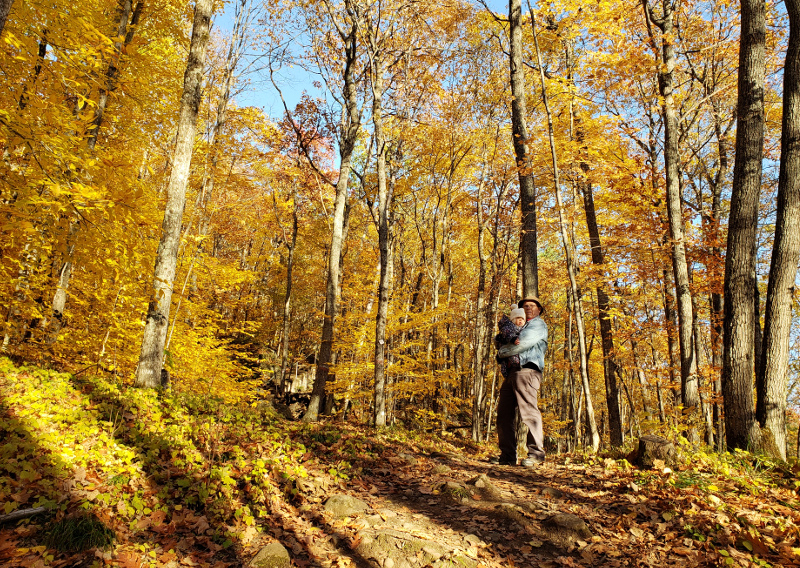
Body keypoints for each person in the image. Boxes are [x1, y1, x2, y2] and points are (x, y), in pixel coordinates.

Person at [491, 297, 548, 467]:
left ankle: (536, 454)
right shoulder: (516, 326)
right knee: (503, 414)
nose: (528, 308)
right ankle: (508, 456)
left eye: (532, 306)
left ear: (539, 309)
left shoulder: (537, 325)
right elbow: (500, 338)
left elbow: (520, 345)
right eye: (525, 306)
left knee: (529, 412)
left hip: (527, 370)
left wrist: (501, 352)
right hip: (511, 372)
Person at [494, 307, 526, 379]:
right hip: (509, 347)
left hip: (516, 353)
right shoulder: (510, 327)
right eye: (518, 318)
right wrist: (512, 338)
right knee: (507, 362)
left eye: (522, 319)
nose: (520, 320)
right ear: (513, 320)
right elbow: (507, 333)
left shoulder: (524, 329)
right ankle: (507, 372)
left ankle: (514, 367)